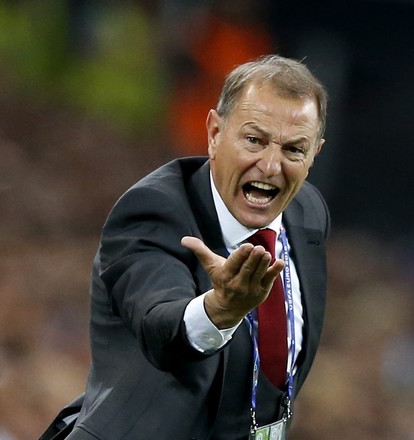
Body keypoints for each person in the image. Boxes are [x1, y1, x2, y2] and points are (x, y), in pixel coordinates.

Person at [41, 54, 329, 440]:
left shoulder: (308, 212)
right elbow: (159, 326)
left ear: (315, 154)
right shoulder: (155, 210)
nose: (271, 166)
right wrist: (220, 310)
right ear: (214, 133)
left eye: (294, 149)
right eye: (254, 140)